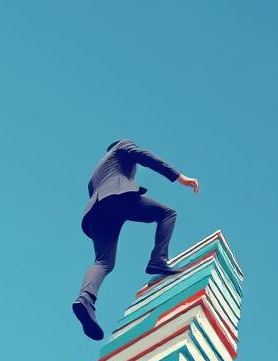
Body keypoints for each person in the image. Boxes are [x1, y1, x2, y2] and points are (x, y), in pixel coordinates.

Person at [72, 139, 199, 340]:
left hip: (95, 212)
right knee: (167, 214)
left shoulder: (98, 171)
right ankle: (158, 260)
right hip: (117, 198)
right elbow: (146, 157)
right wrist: (179, 177)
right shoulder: (122, 146)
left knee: (103, 262)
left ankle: (85, 299)